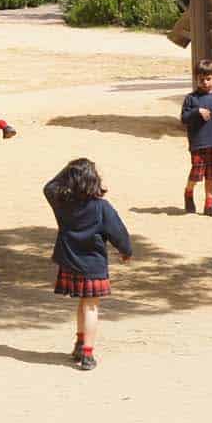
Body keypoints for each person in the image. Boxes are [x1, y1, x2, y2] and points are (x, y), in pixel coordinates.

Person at [44, 158, 133, 371]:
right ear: (94, 181)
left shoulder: (61, 202)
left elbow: (49, 186)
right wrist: (126, 251)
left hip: (69, 259)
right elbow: (118, 232)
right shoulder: (101, 207)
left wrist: (70, 171)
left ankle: (79, 343)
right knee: (90, 306)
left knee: (82, 304)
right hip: (93, 262)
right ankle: (87, 354)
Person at [181, 58, 212, 218]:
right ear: (196, 79)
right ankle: (189, 192)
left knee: (211, 175)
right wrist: (196, 112)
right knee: (196, 173)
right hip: (198, 143)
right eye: (201, 79)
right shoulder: (191, 98)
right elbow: (184, 118)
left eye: (208, 79)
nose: (205, 82)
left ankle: (209, 204)